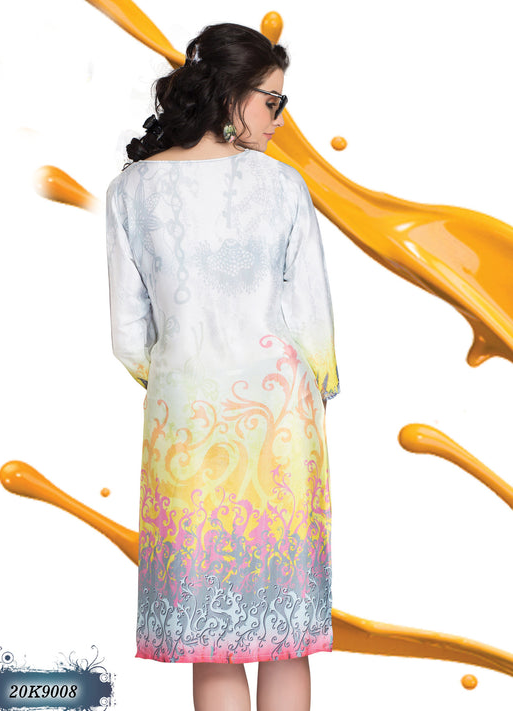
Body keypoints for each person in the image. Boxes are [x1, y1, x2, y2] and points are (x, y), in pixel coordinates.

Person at [105, 21, 340, 711]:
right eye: (272, 101)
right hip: (278, 422)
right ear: (232, 93)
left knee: (210, 635)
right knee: (283, 631)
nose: (279, 118)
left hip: (184, 427)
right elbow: (315, 326)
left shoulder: (131, 190)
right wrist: (315, 392)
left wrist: (181, 377)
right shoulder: (283, 185)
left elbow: (128, 337)